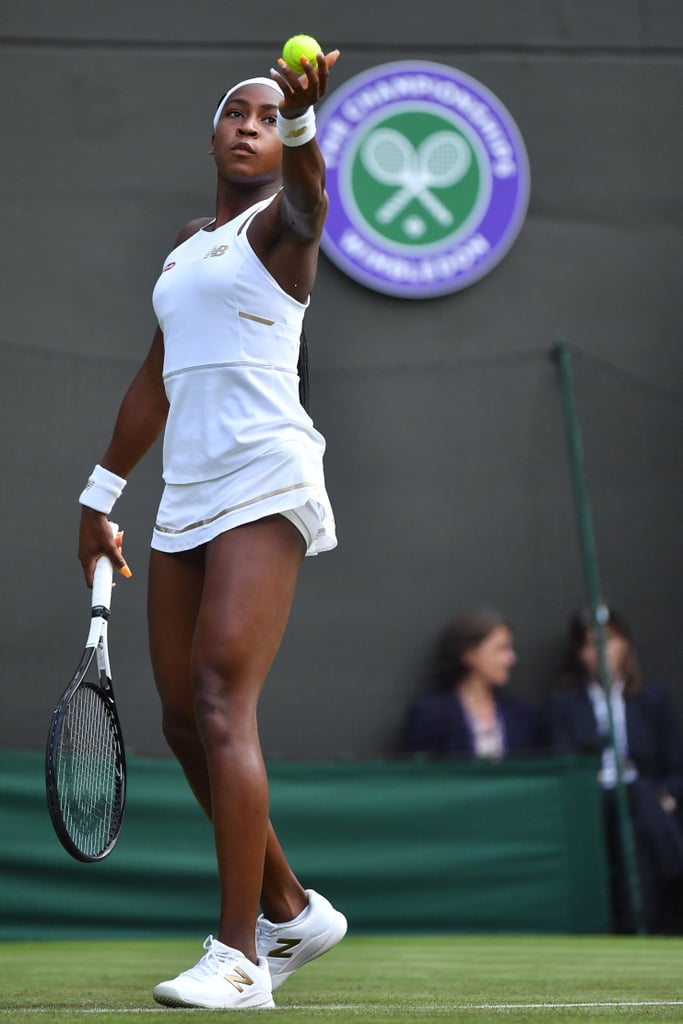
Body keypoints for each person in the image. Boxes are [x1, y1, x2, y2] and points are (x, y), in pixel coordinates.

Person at [77, 47, 347, 1011]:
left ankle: (239, 956)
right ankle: (291, 908)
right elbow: (155, 376)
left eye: (270, 118)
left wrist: (313, 129)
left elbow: (314, 208)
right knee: (184, 721)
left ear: (285, 143)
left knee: (225, 702)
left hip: (266, 474)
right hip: (183, 491)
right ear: (212, 133)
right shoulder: (190, 245)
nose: (249, 124)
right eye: (237, 111)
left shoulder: (284, 228)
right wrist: (99, 496)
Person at [544, 605, 683, 934]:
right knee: (634, 795)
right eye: (591, 644)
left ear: (625, 645)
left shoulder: (652, 699)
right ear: (580, 654)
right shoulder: (563, 704)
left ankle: (638, 928)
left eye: (608, 641)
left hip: (648, 809)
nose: (601, 652)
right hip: (595, 804)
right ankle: (677, 867)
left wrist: (668, 798)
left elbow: (676, 768)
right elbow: (565, 766)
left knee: (637, 829)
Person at [402, 608, 540, 758]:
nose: (510, 658)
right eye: (500, 649)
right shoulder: (432, 714)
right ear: (469, 655)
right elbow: (417, 773)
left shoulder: (520, 715)